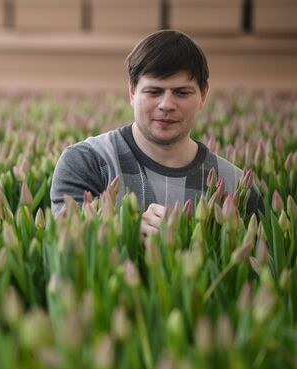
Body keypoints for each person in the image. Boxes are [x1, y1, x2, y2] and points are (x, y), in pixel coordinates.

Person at [50, 29, 264, 237]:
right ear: (132, 92)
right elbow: (65, 242)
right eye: (154, 91)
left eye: (181, 92)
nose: (166, 104)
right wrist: (127, 229)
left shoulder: (235, 186)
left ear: (204, 94)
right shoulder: (88, 162)